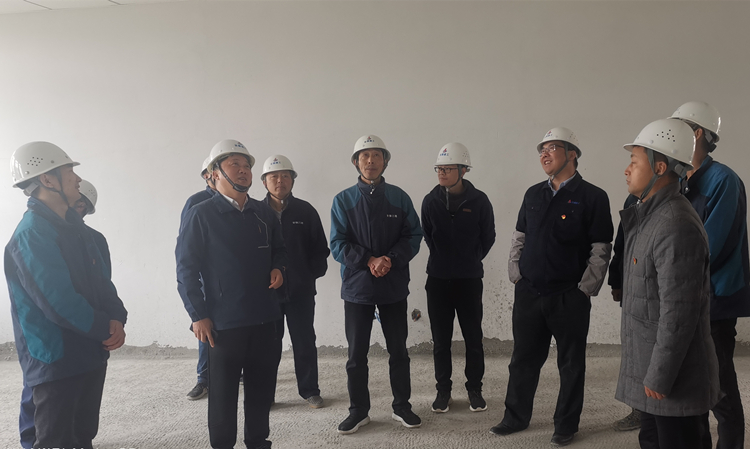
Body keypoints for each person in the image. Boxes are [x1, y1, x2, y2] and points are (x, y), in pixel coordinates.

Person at [491, 128, 613, 447]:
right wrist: (516, 275)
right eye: (541, 149)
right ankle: (515, 417)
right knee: (523, 359)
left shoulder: (593, 196)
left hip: (568, 297)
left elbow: (601, 248)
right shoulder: (533, 194)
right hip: (529, 293)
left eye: (552, 147)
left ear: (572, 154)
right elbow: (519, 237)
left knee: (571, 364)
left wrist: (584, 290)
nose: (544, 154)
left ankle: (565, 425)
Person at [6, 142, 128, 449]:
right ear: (47, 179)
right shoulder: (32, 234)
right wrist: (104, 327)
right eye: (70, 171)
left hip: (89, 350)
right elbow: (58, 302)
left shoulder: (79, 230)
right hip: (56, 359)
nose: (77, 178)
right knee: (54, 440)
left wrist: (117, 317)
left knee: (83, 434)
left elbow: (102, 282)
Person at [616, 118, 721, 449]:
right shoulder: (650, 217)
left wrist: (660, 374)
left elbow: (679, 313)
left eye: (634, 162)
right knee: (651, 440)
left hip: (674, 379)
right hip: (654, 372)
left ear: (660, 167)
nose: (626, 170)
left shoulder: (675, 224)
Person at [176, 139, 287, 449]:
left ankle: (258, 442)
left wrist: (279, 267)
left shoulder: (263, 212)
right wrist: (198, 315)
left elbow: (280, 249)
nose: (243, 170)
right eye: (234, 164)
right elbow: (186, 269)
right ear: (215, 173)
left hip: (265, 317)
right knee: (223, 395)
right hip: (224, 323)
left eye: (246, 165)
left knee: (261, 391)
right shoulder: (201, 214)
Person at [330, 135, 423, 434]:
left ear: (385, 161)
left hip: (392, 286)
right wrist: (369, 260)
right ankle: (358, 411)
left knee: (399, 351)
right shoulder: (343, 200)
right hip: (357, 289)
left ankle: (402, 406)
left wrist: (389, 260)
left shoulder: (399, 197)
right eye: (365, 156)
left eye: (377, 155)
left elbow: (413, 235)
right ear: (356, 162)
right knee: (356, 355)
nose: (371, 161)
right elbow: (337, 244)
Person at [671, 101, 749, 449]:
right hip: (685, 297)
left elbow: (711, 246)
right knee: (693, 387)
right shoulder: (679, 179)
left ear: (698, 133)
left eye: (679, 126)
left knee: (720, 387)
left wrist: (671, 275)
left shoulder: (723, 180)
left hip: (713, 299)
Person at [420, 142, 495, 413]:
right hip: (438, 280)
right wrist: (444, 260)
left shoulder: (479, 201)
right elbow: (428, 236)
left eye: (448, 168)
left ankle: (475, 389)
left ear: (463, 170)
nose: (441, 173)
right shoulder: (430, 201)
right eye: (439, 169)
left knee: (473, 338)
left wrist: (470, 259)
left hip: (469, 280)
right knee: (441, 341)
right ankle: (443, 391)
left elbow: (488, 237)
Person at [261, 154, 330, 408]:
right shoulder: (256, 213)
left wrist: (308, 275)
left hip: (301, 291)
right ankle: (265, 395)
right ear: (264, 181)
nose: (280, 181)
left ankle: (310, 390)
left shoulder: (305, 211)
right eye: (274, 176)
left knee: (304, 342)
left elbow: (320, 249)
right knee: (268, 346)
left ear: (292, 180)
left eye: (285, 176)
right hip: (267, 294)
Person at [180, 156, 217, 401]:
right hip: (205, 281)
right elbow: (187, 247)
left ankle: (237, 372)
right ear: (207, 175)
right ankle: (203, 378)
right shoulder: (196, 202)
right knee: (205, 328)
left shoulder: (238, 201)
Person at [609, 193, 641, 432]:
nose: (627, 174)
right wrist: (616, 279)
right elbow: (621, 242)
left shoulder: (677, 197)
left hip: (657, 288)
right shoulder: (632, 201)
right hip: (632, 284)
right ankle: (638, 410)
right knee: (633, 350)